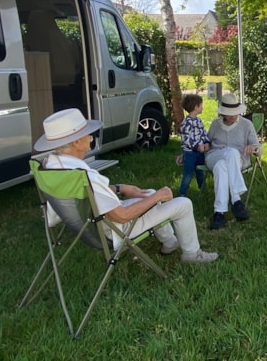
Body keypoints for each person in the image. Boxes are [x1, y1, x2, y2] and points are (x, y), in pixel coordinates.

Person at [34, 108, 218, 264]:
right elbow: (122, 217)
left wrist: (121, 188)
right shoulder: (85, 175)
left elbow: (87, 193)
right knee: (183, 203)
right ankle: (193, 255)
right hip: (114, 230)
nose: (91, 137)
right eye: (87, 134)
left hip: (92, 222)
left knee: (147, 193)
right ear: (76, 142)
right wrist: (159, 196)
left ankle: (169, 242)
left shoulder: (54, 167)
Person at [205, 92, 262, 230]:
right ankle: (236, 200)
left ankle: (219, 213)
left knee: (221, 167)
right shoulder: (215, 124)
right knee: (229, 153)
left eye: (235, 112)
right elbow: (205, 142)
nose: (232, 116)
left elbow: (259, 149)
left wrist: (253, 148)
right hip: (214, 155)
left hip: (238, 160)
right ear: (222, 113)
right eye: (229, 113)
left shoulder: (247, 125)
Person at [177, 94, 211, 196]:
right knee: (188, 174)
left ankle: (203, 189)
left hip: (200, 153)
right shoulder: (186, 123)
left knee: (201, 171)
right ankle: (182, 193)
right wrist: (196, 146)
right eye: (201, 105)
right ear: (196, 107)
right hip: (190, 153)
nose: (202, 107)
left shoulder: (199, 121)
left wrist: (206, 142)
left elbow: (203, 132)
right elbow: (187, 139)